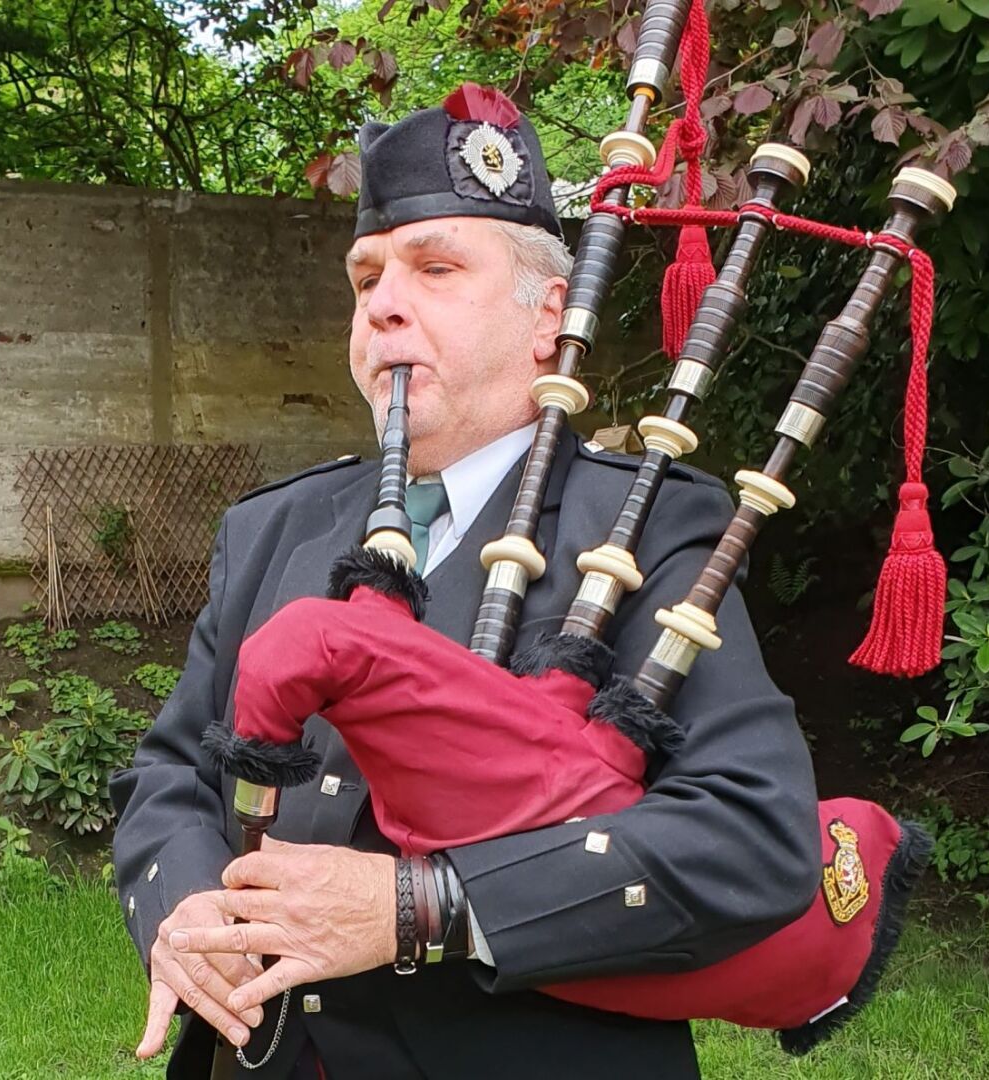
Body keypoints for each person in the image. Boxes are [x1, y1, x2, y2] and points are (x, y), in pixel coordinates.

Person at [109, 84, 820, 1080]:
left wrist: (420, 906)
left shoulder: (652, 527)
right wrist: (185, 906)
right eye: (366, 278)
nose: (382, 304)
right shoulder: (272, 527)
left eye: (436, 268)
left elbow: (754, 836)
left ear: (549, 322)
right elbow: (170, 773)